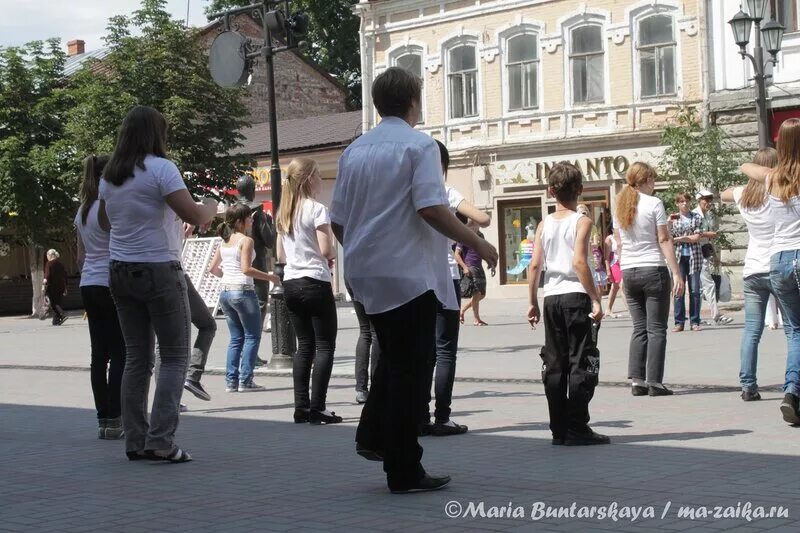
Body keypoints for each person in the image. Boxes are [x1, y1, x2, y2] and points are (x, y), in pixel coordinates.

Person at [330, 67, 498, 493]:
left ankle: (372, 437)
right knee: (412, 370)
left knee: (395, 359)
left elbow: (338, 221)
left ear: (376, 103)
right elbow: (431, 208)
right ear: (413, 103)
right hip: (408, 274)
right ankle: (404, 468)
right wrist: (481, 242)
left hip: (365, 272)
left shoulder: (354, 151)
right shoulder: (419, 146)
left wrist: (361, 251)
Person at [99, 105, 217, 463]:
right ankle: (161, 440)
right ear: (156, 135)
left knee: (137, 358)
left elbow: (105, 224)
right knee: (175, 356)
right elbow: (194, 216)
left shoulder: (111, 175)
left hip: (120, 270)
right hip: (159, 270)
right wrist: (210, 205)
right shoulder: (162, 169)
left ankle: (135, 440)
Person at [527, 162, 609, 446]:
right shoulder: (582, 221)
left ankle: (558, 428)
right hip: (576, 296)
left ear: (551, 191)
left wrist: (532, 302)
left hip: (551, 297)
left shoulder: (543, 224)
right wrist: (596, 298)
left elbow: (535, 264)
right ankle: (577, 426)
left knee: (555, 363)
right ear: (580, 190)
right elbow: (579, 262)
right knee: (580, 360)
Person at [420, 140, 491, 437]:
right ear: (444, 167)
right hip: (446, 279)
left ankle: (419, 414)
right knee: (446, 350)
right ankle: (443, 417)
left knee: (424, 352)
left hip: (419, 280)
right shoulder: (446, 193)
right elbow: (483, 218)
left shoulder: (415, 192)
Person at [740, 117, 800, 424]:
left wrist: (765, 166)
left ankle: (790, 391)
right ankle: (792, 389)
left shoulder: (773, 178)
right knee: (797, 331)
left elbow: (745, 169)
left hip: (777, 261)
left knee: (793, 329)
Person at [275, 158, 340, 425]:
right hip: (315, 281)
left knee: (304, 347)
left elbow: (280, 255)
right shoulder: (316, 209)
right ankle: (319, 408)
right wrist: (332, 252)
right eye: (317, 176)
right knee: (324, 346)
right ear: (309, 178)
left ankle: (301, 407)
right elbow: (326, 250)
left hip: (291, 283)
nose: (320, 181)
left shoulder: (283, 212)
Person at [614, 162, 684, 396]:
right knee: (656, 329)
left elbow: (620, 243)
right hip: (653, 268)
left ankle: (637, 380)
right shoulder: (654, 203)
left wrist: (622, 273)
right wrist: (676, 272)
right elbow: (663, 239)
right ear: (645, 181)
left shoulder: (620, 205)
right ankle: (654, 381)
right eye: (652, 180)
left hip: (629, 270)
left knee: (638, 328)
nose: (654, 184)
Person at [75, 155, 126, 439]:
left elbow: (81, 257)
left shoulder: (81, 211)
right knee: (120, 352)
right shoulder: (109, 210)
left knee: (99, 355)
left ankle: (103, 419)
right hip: (110, 282)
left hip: (88, 285)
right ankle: (117, 418)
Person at [720, 148, 777, 402]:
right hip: (778, 265)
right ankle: (793, 385)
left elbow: (723, 194)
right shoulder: (779, 191)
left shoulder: (744, 195)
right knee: (793, 331)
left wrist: (740, 184)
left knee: (752, 331)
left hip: (753, 269)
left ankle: (748, 385)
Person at [209, 203, 278, 394]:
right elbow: (246, 269)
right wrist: (270, 276)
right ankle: (245, 380)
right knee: (252, 336)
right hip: (243, 291)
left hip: (225, 292)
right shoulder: (246, 241)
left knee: (236, 338)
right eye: (248, 218)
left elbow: (213, 269)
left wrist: (228, 278)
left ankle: (231, 381)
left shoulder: (224, 241)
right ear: (240, 221)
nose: (251, 220)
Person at [181, 223, 217, 403]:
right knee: (207, 325)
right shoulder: (166, 204)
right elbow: (203, 211)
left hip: (124, 273)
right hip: (171, 272)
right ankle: (192, 377)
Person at [694, 190, 733, 326]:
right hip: (695, 253)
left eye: (710, 200)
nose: (708, 203)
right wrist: (707, 233)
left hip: (704, 253)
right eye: (705, 200)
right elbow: (693, 233)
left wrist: (715, 256)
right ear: (699, 200)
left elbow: (709, 239)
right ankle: (715, 316)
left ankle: (696, 318)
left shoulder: (708, 216)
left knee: (698, 288)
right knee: (708, 284)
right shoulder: (695, 215)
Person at [669, 192, 703, 332]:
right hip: (678, 258)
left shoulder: (696, 217)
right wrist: (667, 222)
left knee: (694, 290)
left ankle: (694, 321)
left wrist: (678, 239)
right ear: (677, 204)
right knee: (678, 290)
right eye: (681, 201)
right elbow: (667, 236)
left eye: (686, 201)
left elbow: (696, 237)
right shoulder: (673, 218)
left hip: (694, 256)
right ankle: (679, 322)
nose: (684, 204)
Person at [348, 280, 379, 405]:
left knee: (365, 331)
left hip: (353, 277)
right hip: (372, 278)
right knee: (375, 332)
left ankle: (361, 389)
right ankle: (376, 387)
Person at [456, 222, 492, 326]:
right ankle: (477, 319)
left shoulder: (481, 236)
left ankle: (462, 310)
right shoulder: (464, 236)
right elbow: (457, 254)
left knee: (482, 294)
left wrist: (490, 262)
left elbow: (483, 251)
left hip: (479, 266)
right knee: (477, 294)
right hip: (471, 266)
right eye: (476, 224)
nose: (478, 227)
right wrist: (464, 267)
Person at [604, 232, 628, 318]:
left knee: (614, 288)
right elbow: (606, 257)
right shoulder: (609, 239)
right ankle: (630, 310)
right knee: (622, 286)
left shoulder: (625, 235)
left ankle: (608, 309)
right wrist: (608, 270)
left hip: (625, 262)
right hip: (615, 264)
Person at [43, 249, 68, 326]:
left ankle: (62, 314)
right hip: (61, 286)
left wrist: (44, 284)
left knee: (53, 303)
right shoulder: (60, 264)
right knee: (58, 303)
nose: (47, 257)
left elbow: (47, 275)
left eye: (47, 255)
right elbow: (65, 276)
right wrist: (65, 287)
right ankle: (56, 321)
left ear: (50, 255)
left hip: (52, 286)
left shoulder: (49, 264)